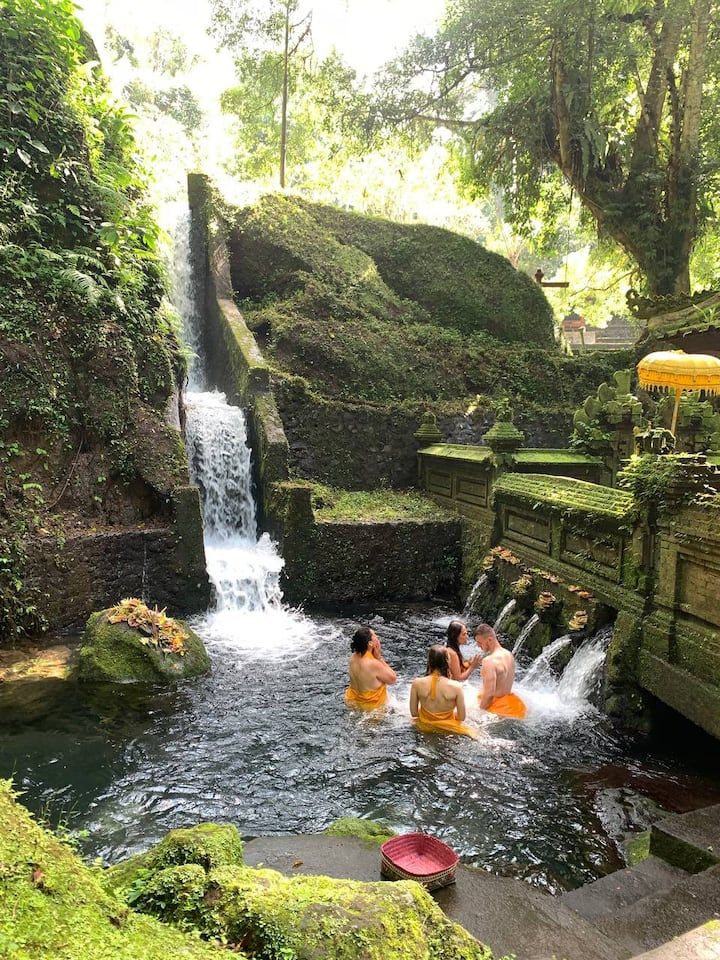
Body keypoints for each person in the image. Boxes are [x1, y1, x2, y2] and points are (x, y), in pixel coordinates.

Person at [410, 646, 478, 738]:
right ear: (447, 662)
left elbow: (414, 713)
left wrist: (431, 717)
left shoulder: (417, 683)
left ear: (429, 661)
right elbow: (461, 717)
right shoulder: (456, 687)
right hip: (449, 730)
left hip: (424, 727)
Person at [474, 623, 527, 718]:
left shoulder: (488, 661)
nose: (478, 646)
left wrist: (478, 713)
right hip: (512, 706)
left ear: (489, 639)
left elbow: (489, 695)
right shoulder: (509, 655)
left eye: (479, 642)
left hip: (495, 710)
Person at [345, 625, 397, 710]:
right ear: (370, 643)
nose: (377, 637)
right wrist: (379, 658)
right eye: (375, 635)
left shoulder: (353, 658)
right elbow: (393, 679)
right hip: (372, 709)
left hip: (352, 702)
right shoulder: (373, 663)